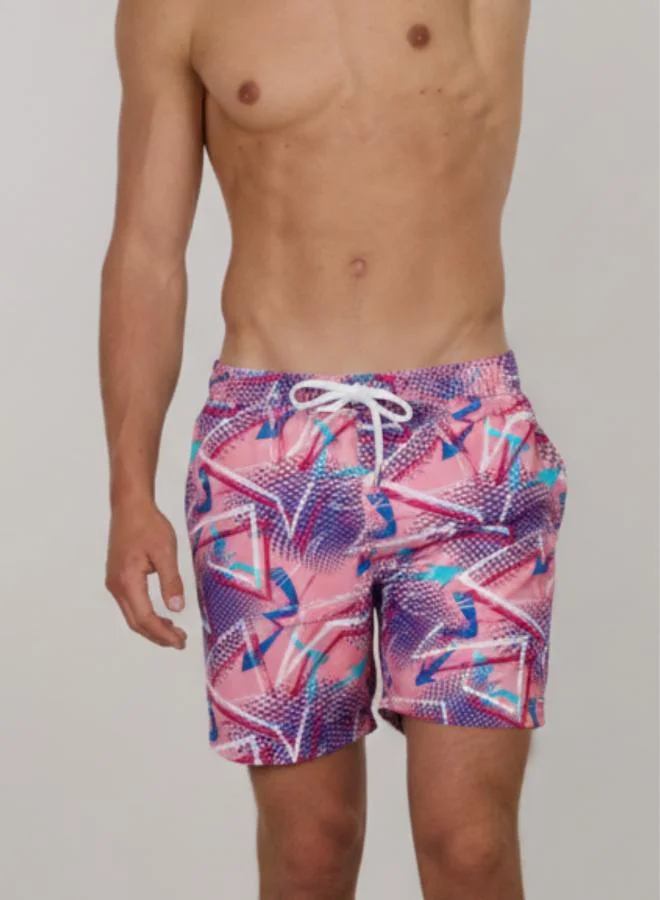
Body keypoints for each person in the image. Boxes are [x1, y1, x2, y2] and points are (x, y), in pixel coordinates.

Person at [100, 1, 567, 897]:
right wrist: (129, 488)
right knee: (311, 845)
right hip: (269, 450)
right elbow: (147, 251)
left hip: (467, 434)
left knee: (470, 843)